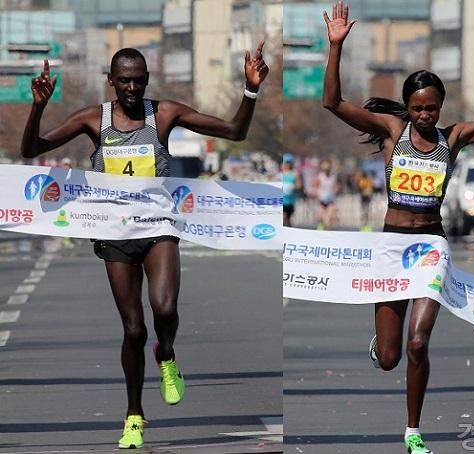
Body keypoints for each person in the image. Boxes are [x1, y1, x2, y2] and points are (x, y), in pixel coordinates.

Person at [21, 45, 268, 449]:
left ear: (147, 79)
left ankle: (167, 353)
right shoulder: (92, 119)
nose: (132, 87)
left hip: (159, 227)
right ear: (112, 81)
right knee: (133, 329)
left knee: (165, 308)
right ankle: (134, 414)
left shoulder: (164, 114)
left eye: (139, 80)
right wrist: (37, 107)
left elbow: (234, 131)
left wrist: (250, 91)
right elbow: (31, 149)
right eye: (124, 80)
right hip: (115, 235)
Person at [322, 2, 474, 453]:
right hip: (392, 246)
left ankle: (413, 430)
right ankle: (381, 343)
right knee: (392, 358)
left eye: (431, 108)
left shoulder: (452, 139)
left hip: (431, 246)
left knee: (419, 342)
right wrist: (335, 46)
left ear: (441, 108)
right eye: (417, 108)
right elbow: (332, 102)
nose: (424, 116)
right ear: (408, 107)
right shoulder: (393, 130)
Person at [314, 158, 340, 230]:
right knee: (320, 216)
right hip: (322, 199)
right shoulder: (320, 176)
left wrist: (336, 189)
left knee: (330, 217)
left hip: (330, 199)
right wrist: (317, 193)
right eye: (325, 170)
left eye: (328, 169)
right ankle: (320, 228)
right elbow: (315, 185)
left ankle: (328, 231)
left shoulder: (333, 177)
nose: (326, 171)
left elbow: (337, 185)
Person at [282, 152, 303, 227]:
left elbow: (299, 185)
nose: (287, 164)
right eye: (286, 162)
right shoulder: (281, 172)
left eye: (289, 162)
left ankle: (289, 233)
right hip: (281, 200)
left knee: (288, 218)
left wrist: (292, 186)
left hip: (290, 200)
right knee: (283, 217)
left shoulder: (295, 173)